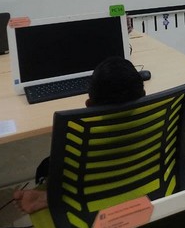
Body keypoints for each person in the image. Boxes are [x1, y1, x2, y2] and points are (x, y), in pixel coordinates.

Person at [13, 56, 145, 214]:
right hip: (145, 192)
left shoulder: (75, 138)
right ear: (144, 96)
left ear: (88, 105)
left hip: (88, 211)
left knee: (47, 166)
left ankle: (50, 196)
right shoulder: (160, 117)